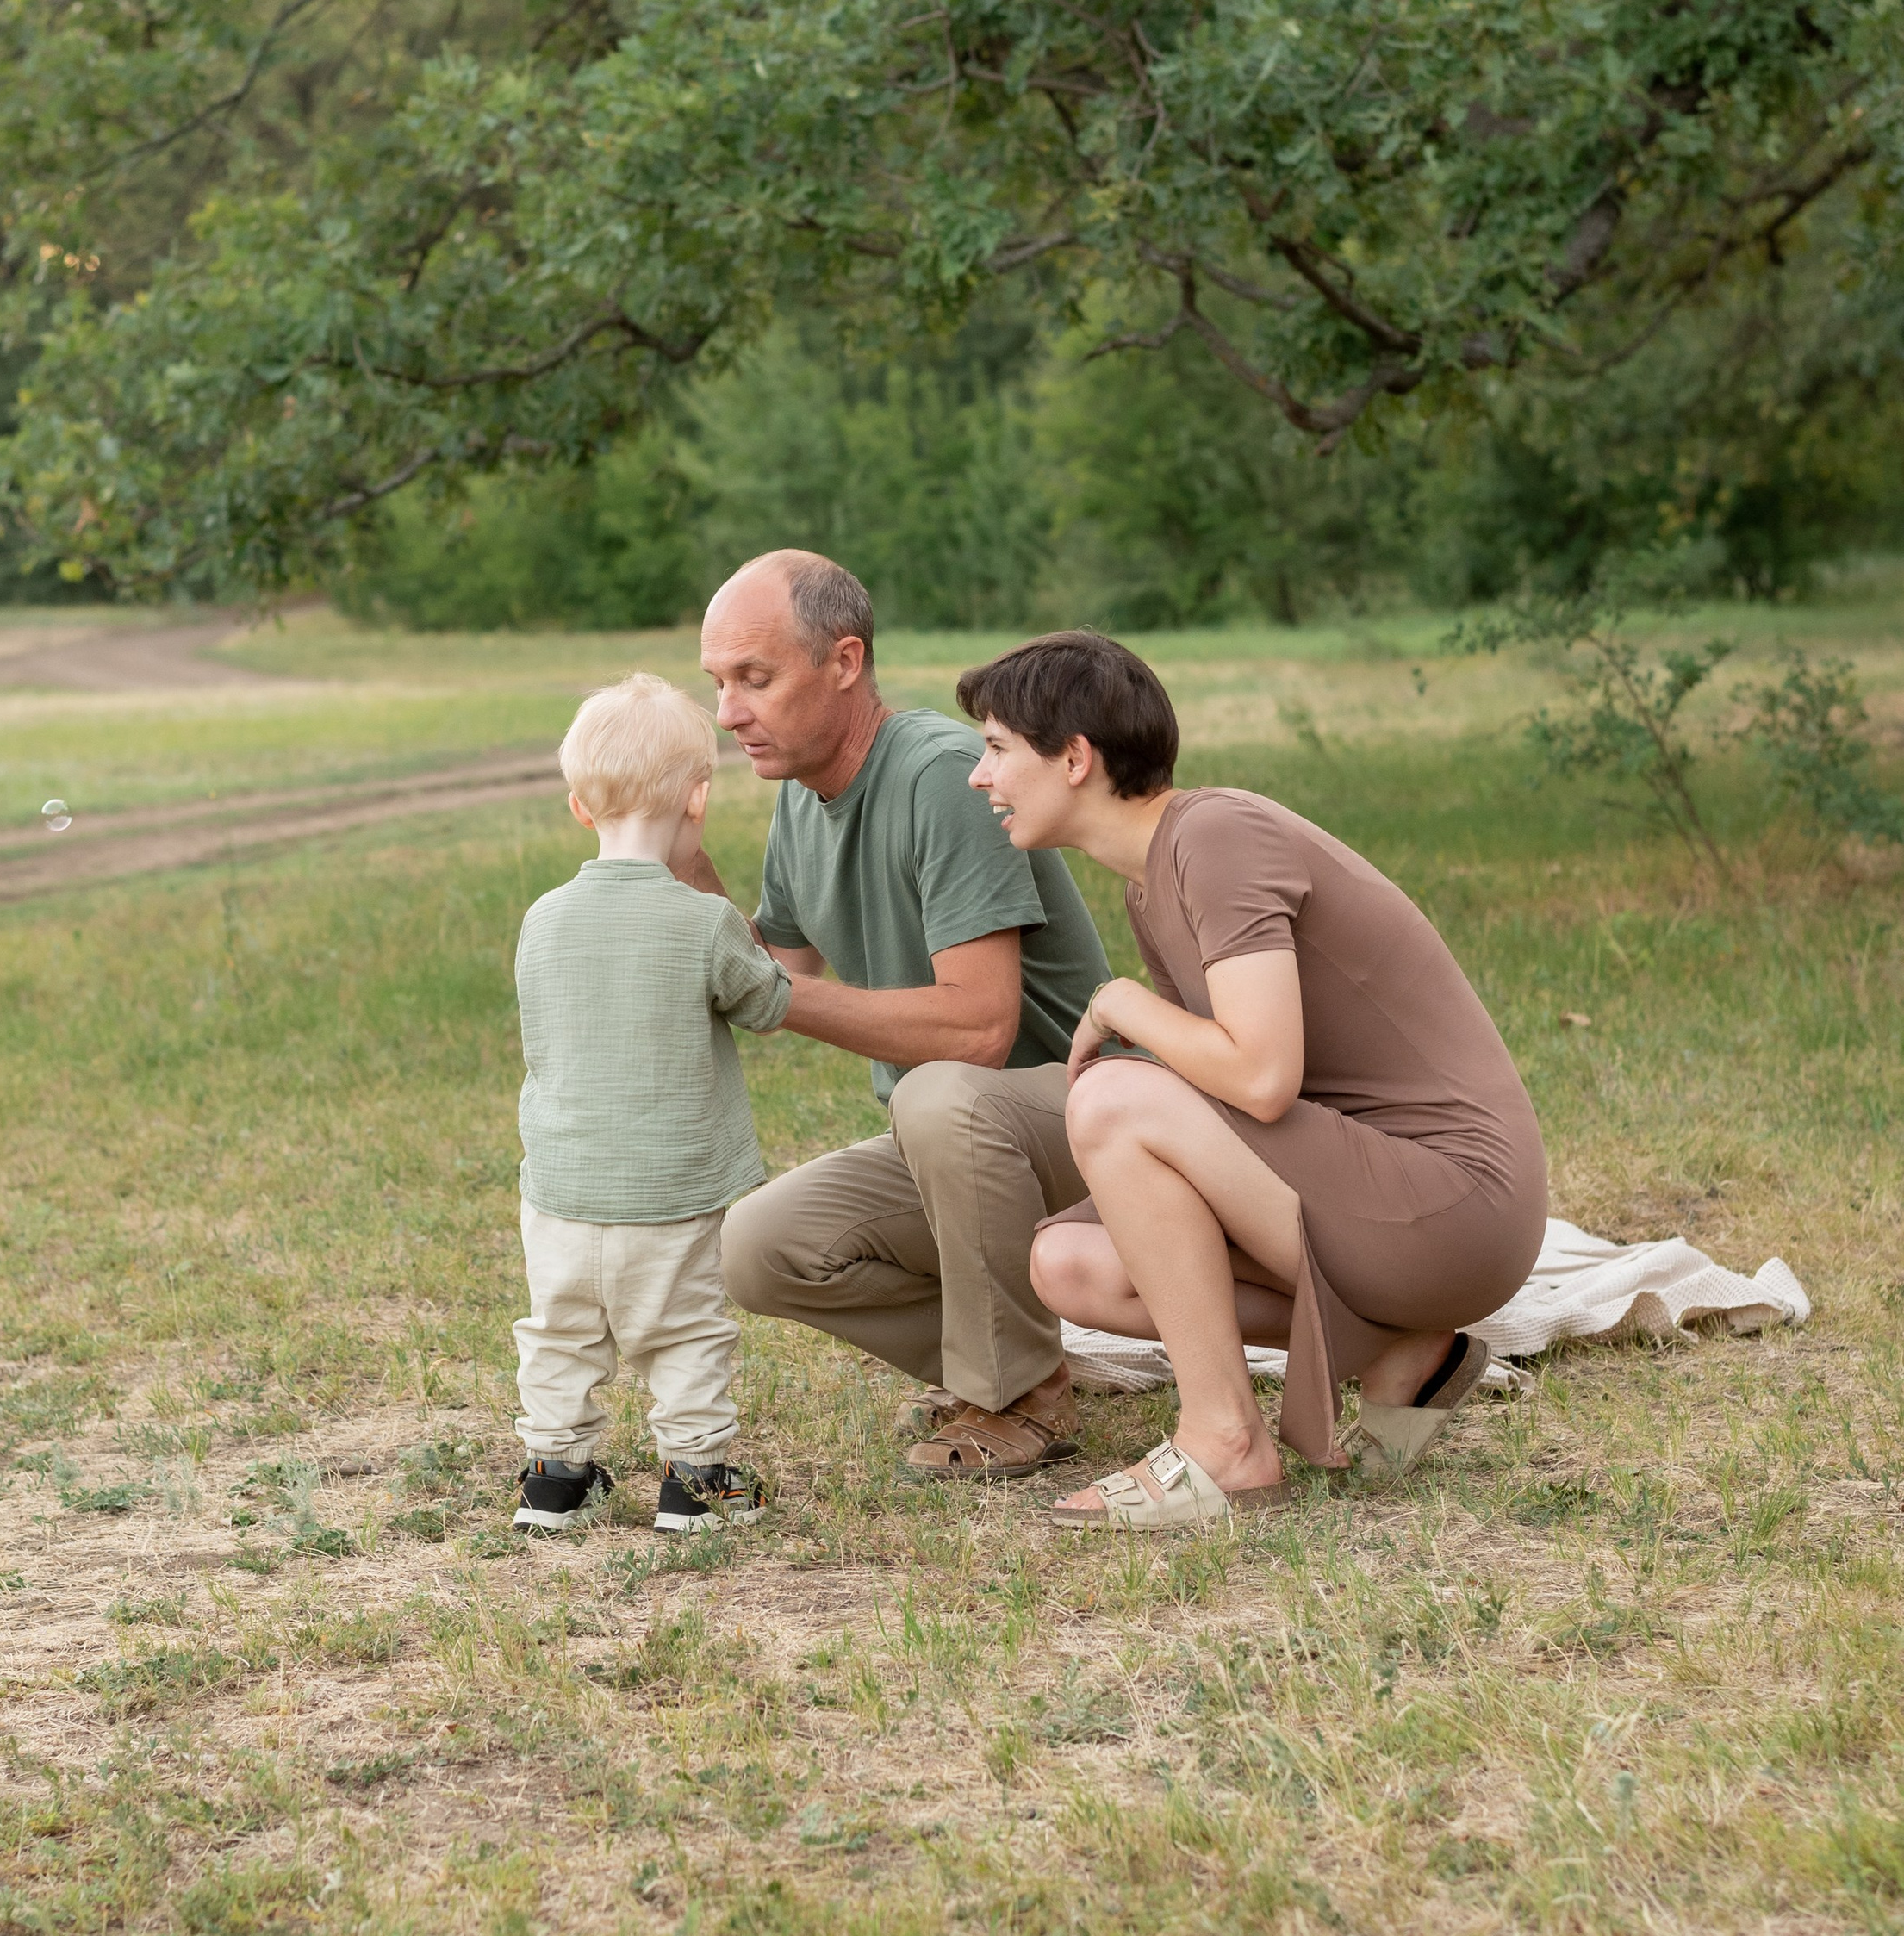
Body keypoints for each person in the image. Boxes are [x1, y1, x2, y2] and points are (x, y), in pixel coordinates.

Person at [957, 630, 1548, 1533]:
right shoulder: (1152, 881)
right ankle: (1403, 1350)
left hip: (1457, 1203)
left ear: (1073, 758)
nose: (978, 775)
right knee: (1071, 1265)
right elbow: (1226, 1095)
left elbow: (1260, 1079)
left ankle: (1223, 1443)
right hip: (1380, 1202)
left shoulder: (1216, 836)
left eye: (996, 747)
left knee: (1112, 1101)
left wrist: (1119, 1001)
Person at [691, 551, 1113, 1481]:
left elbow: (977, 1030)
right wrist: (672, 858)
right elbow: (773, 974)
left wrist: (775, 994)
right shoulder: (802, 803)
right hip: (961, 1148)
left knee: (938, 1094)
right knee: (760, 1248)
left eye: (754, 678)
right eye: (719, 685)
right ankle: (1018, 1353)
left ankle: (1017, 1396)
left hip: (1097, 1125)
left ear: (844, 662)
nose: (728, 713)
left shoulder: (940, 773)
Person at [511, 673, 793, 1534]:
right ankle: (698, 1483)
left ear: (577, 807)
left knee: (560, 1332)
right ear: (697, 799)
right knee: (685, 1333)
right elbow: (769, 1002)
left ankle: (556, 1479)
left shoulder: (543, 918)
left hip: (559, 1182)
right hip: (672, 1186)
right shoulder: (701, 921)